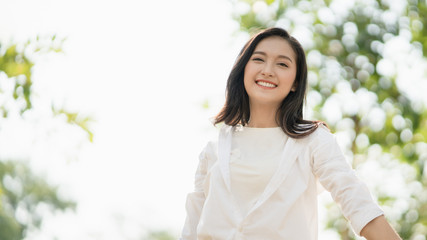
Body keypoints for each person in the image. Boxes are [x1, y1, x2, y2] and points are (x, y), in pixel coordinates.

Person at [180, 27, 401, 240]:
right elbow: (191, 228)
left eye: (282, 64)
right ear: (243, 69)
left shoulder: (313, 141)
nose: (268, 70)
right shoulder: (214, 150)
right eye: (258, 59)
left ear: (295, 82)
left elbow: (358, 205)